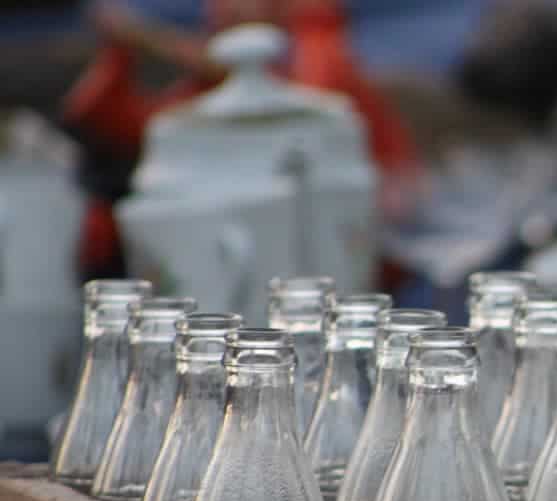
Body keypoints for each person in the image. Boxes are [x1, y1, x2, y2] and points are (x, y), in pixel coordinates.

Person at [61, 0, 422, 290]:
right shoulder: (193, 99)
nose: (233, 8)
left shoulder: (322, 58)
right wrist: (121, 49)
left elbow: (315, 94)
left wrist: (182, 51)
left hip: (346, 277)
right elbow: (102, 118)